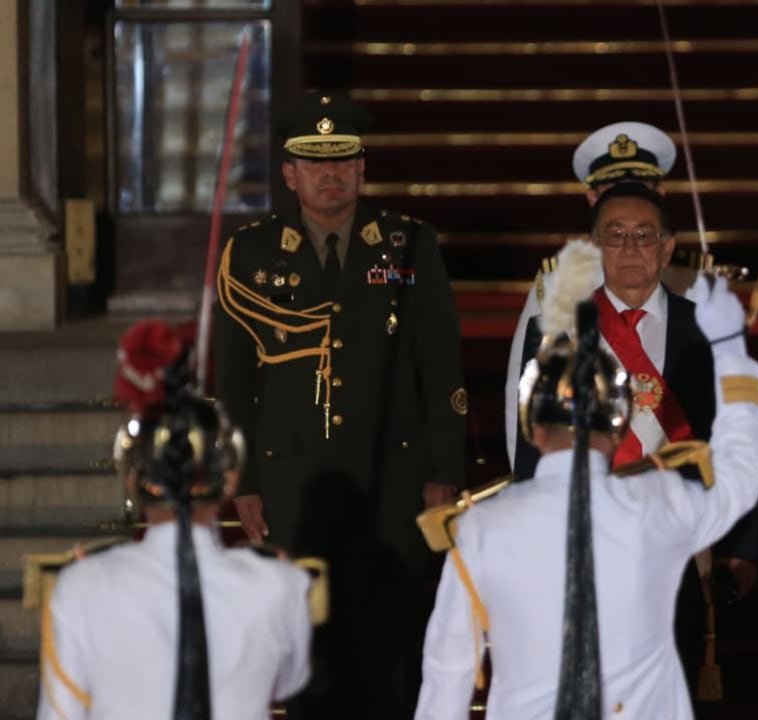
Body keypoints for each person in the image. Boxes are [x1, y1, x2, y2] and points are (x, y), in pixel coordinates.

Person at [414, 252, 758, 719]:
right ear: (621, 425)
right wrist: (729, 348)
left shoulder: (479, 527)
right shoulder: (657, 505)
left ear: (533, 427)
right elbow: (744, 470)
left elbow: (447, 672)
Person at [213, 90, 466, 718]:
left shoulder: (409, 245)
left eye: (343, 160)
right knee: (306, 644)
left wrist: (445, 471)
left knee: (394, 638)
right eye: (315, 161)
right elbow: (235, 379)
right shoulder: (250, 252)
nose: (331, 174)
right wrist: (242, 477)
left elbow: (441, 366)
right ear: (290, 173)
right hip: (294, 479)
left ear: (361, 166)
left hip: (395, 476)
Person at [511, 181, 758, 693]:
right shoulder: (553, 332)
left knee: (671, 686)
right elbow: (532, 450)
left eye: (644, 235)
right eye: (615, 235)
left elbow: (741, 442)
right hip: (579, 541)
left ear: (668, 247)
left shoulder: (711, 331)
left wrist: (741, 544)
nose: (629, 247)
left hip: (677, 542)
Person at [38, 320, 312, 720]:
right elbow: (288, 681)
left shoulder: (80, 589)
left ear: (133, 477)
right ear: (229, 479)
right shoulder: (282, 586)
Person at [503, 120, 678, 471]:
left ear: (659, 195)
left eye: (640, 189)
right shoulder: (559, 282)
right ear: (592, 198)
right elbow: (524, 392)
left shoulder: (692, 281)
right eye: (614, 191)